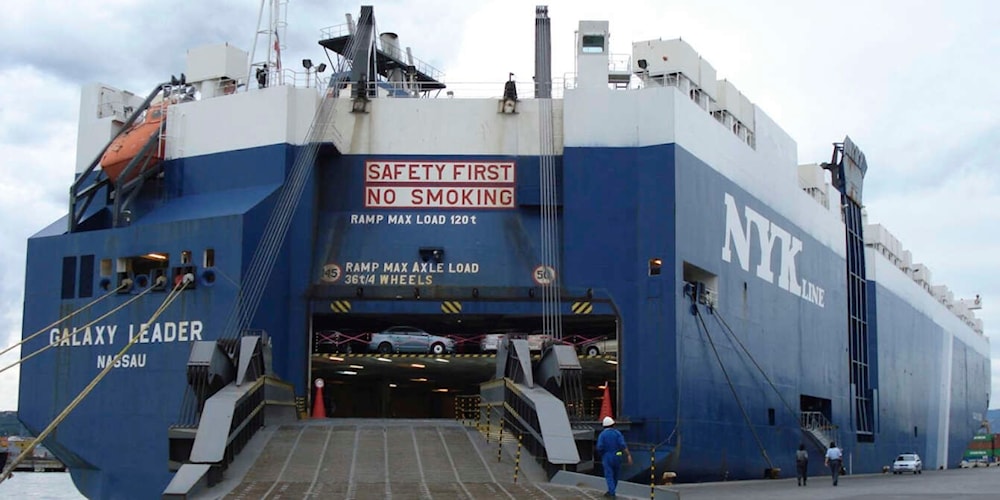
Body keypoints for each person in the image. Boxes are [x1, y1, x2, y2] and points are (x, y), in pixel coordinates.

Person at [596, 416, 632, 498]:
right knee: (616, 475)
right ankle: (611, 490)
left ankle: (611, 493)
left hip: (607, 456)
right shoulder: (617, 433)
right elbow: (622, 445)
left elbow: (599, 447)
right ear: (613, 425)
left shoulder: (602, 435)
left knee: (609, 475)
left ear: (604, 425)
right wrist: (628, 455)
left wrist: (602, 454)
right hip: (618, 454)